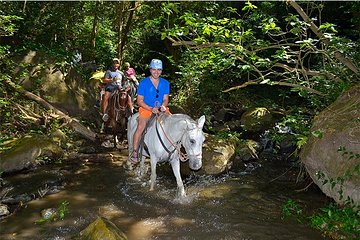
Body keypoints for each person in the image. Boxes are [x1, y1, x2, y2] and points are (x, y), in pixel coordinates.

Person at [130, 59, 170, 162]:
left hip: (161, 109)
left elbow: (165, 99)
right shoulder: (144, 83)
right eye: (154, 69)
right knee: (140, 126)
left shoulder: (165, 83)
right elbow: (139, 101)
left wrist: (163, 106)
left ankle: (177, 150)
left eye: (159, 70)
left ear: (161, 71)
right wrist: (151, 109)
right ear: (150, 70)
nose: (156, 72)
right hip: (146, 109)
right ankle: (135, 151)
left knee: (175, 124)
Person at [101, 58, 134, 122]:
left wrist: (126, 87)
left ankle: (131, 111)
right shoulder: (109, 71)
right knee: (105, 97)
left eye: (117, 63)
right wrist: (111, 80)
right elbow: (104, 80)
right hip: (110, 87)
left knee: (128, 97)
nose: (116, 64)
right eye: (115, 63)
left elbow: (123, 82)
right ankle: (104, 113)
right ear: (113, 64)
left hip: (119, 88)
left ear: (119, 65)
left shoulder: (121, 73)